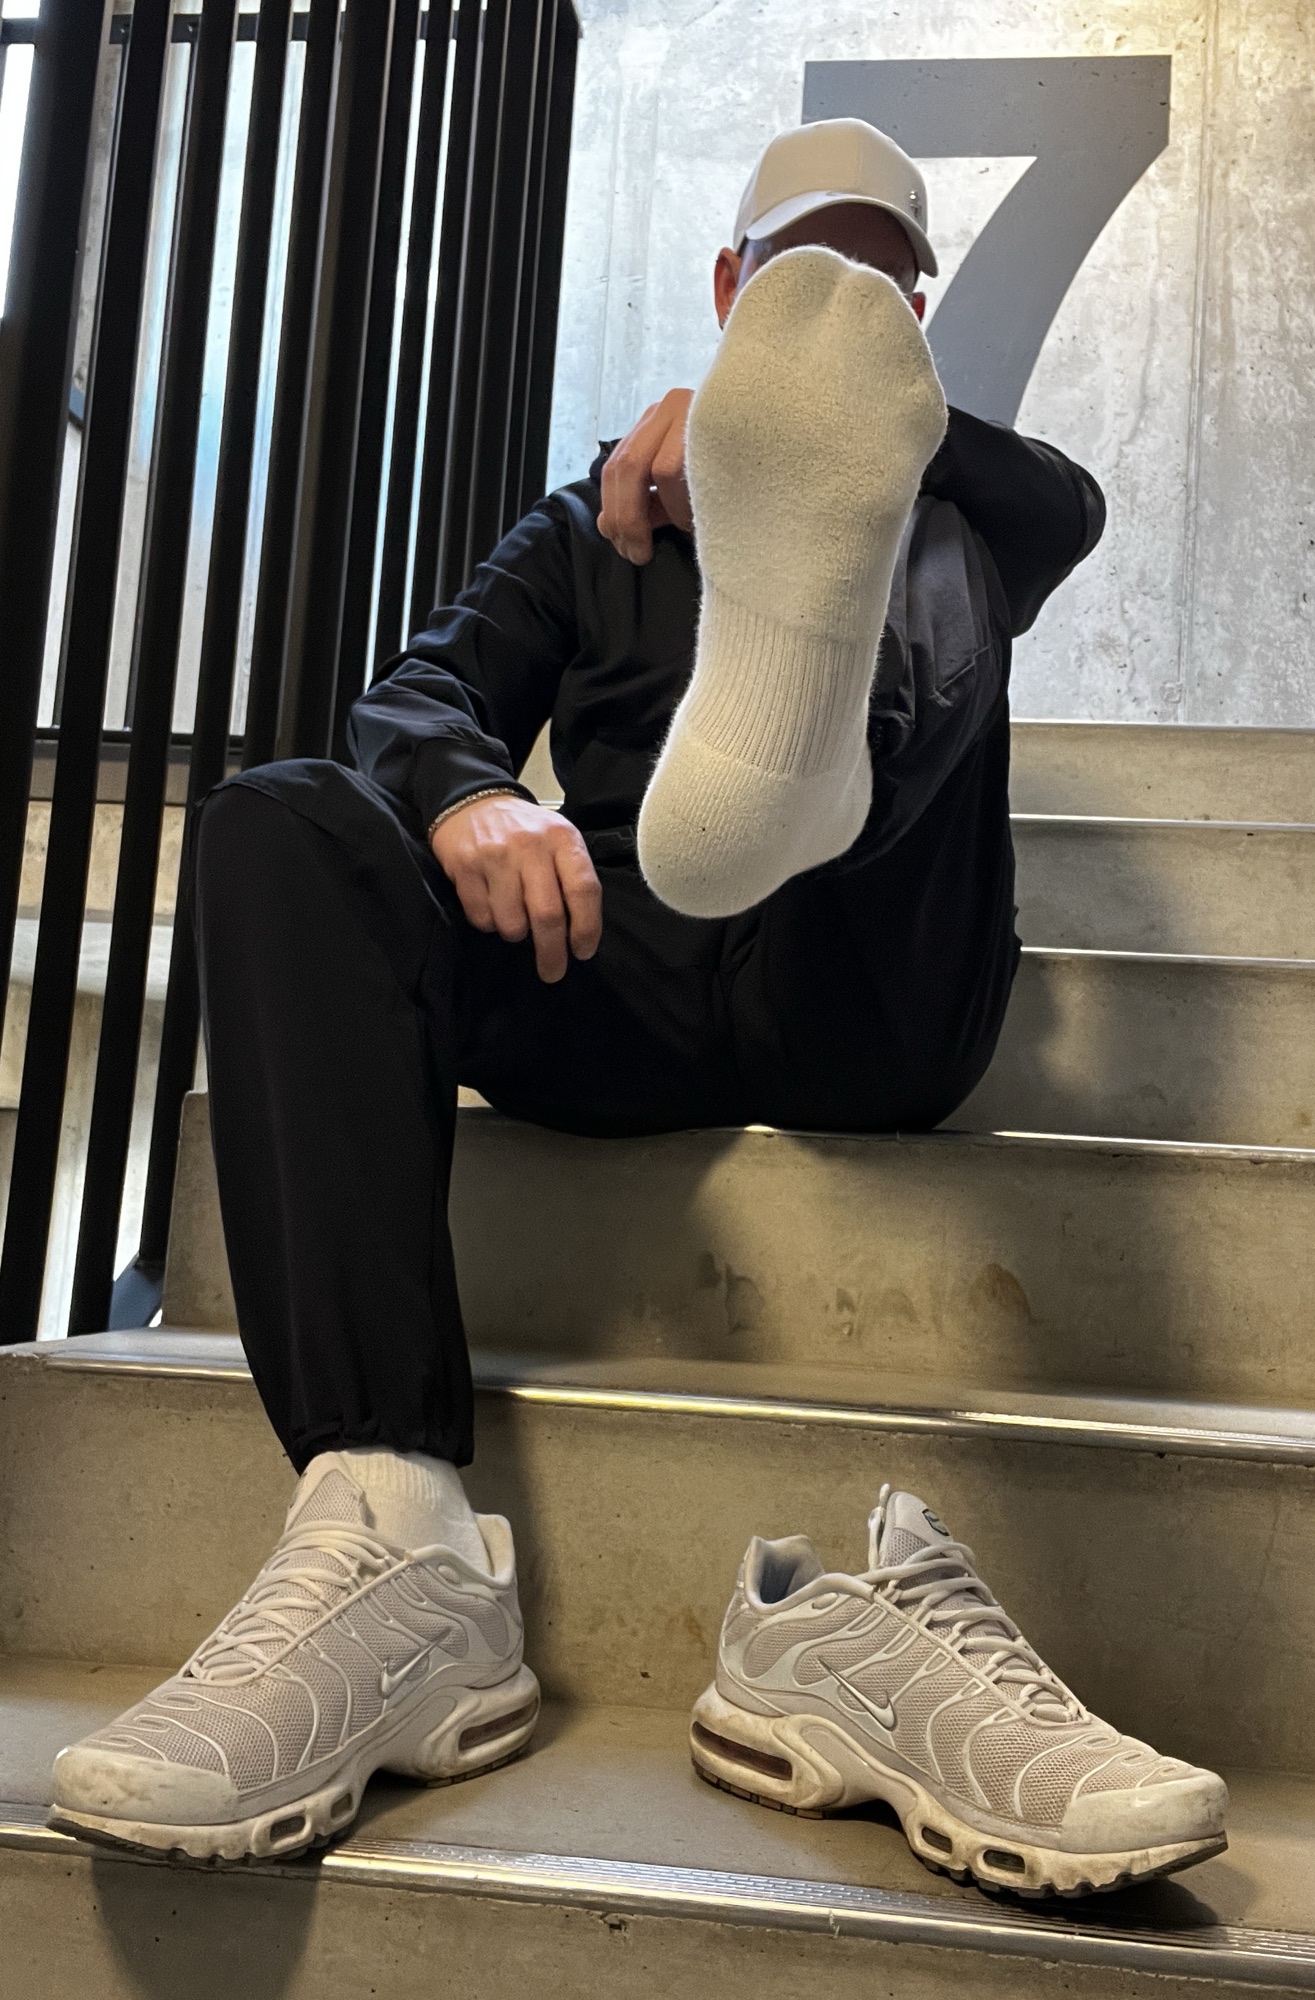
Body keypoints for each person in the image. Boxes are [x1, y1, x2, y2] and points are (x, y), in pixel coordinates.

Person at [47, 118, 1158, 1879]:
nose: (847, 301)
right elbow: (418, 692)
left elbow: (1066, 508)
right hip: (611, 965)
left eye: (882, 289)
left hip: (867, 980)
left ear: (919, 327)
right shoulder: (596, 522)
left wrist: (861, 439)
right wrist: (472, 800)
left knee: (937, 552)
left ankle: (811, 743)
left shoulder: (968, 515)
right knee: (281, 822)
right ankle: (392, 1516)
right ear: (727, 287)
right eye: (805, 275)